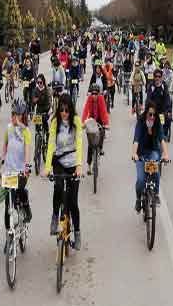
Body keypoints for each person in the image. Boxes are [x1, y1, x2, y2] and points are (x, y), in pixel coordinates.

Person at [43, 94, 83, 250]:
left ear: (71, 110)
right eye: (61, 110)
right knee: (58, 187)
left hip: (73, 163)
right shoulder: (54, 123)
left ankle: (78, 233)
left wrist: (79, 166)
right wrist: (47, 168)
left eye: (67, 110)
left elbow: (79, 143)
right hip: (59, 162)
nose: (64, 113)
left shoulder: (76, 122)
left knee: (73, 203)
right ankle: (54, 216)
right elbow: (51, 145)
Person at [132, 101, 170, 212]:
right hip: (141, 154)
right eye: (150, 114)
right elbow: (136, 140)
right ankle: (138, 199)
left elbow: (162, 139)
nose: (152, 117)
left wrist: (165, 154)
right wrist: (134, 154)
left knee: (156, 172)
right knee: (140, 180)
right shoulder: (140, 122)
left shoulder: (157, 123)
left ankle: (156, 194)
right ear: (146, 113)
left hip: (153, 151)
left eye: (154, 114)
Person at [1, 99, 33, 229]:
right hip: (8, 171)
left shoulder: (26, 131)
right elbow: (5, 144)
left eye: (17, 114)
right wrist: (2, 158)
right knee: (8, 204)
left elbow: (27, 150)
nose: (14, 117)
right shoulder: (8, 128)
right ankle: (9, 234)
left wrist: (26, 166)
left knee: (20, 191)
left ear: (22, 116)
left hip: (20, 171)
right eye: (13, 114)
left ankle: (26, 207)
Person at [82, 83, 110, 174]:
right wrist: (83, 123)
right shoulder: (89, 99)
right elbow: (86, 110)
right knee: (91, 144)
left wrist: (106, 124)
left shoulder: (101, 99)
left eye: (96, 93)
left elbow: (104, 112)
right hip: (91, 119)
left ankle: (100, 148)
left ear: (99, 93)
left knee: (102, 132)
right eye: (92, 93)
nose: (94, 95)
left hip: (100, 119)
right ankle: (89, 166)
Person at [146, 69, 172, 139]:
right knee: (148, 121)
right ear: (154, 77)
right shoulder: (151, 86)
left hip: (162, 110)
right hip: (153, 109)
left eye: (159, 76)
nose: (157, 78)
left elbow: (167, 98)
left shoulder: (164, 85)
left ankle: (165, 133)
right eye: (155, 76)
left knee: (167, 119)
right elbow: (148, 98)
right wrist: (148, 109)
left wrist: (168, 110)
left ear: (161, 77)